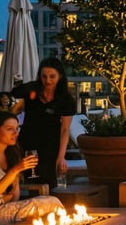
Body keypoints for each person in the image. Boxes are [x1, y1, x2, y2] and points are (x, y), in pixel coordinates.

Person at [0, 110, 65, 225]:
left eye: (17, 129)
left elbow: (14, 197)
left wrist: (9, 194)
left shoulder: (11, 155)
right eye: (10, 129)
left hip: (6, 208)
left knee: (51, 201)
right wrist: (15, 170)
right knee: (48, 204)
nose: (15, 133)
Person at [10, 57, 77, 188]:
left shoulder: (65, 99)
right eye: (44, 76)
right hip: (28, 142)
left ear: (60, 76)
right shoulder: (33, 91)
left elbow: (64, 129)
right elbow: (15, 93)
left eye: (52, 76)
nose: (48, 80)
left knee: (48, 182)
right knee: (29, 181)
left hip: (51, 144)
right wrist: (33, 86)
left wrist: (61, 156)